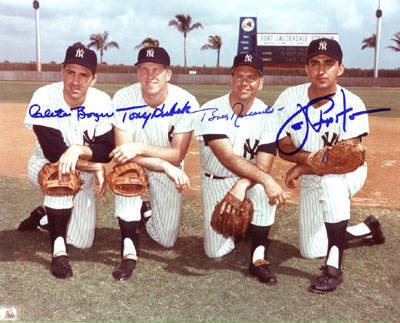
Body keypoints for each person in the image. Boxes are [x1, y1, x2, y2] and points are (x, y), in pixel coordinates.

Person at [275, 38, 385, 293]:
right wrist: (306, 163)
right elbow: (282, 143)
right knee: (310, 250)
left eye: (329, 63)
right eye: (315, 63)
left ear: (340, 68)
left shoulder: (353, 103)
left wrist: (302, 166)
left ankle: (334, 267)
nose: (321, 70)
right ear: (306, 68)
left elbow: (342, 160)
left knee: (332, 181)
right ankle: (365, 228)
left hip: (348, 173)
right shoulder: (289, 97)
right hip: (314, 175)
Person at [21, 45, 115, 279]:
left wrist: (79, 149)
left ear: (93, 79)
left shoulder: (102, 101)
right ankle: (58, 252)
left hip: (81, 171)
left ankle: (44, 216)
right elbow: (54, 153)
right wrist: (94, 165)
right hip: (45, 166)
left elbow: (107, 149)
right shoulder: (44, 97)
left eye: (84, 75)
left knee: (82, 242)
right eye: (70, 72)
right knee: (60, 180)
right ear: (62, 72)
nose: (76, 81)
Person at [194, 53, 286, 284]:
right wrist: (261, 179)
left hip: (249, 179)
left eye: (252, 77)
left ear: (261, 82)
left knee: (265, 189)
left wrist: (244, 184)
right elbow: (226, 156)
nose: (245, 82)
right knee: (215, 252)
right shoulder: (211, 109)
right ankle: (244, 230)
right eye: (239, 76)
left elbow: (263, 164)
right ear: (231, 79)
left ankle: (258, 257)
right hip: (216, 178)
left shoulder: (269, 115)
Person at [109, 46, 199, 280]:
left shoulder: (186, 101)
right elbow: (122, 154)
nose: (150, 76)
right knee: (127, 173)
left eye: (156, 70)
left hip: (164, 166)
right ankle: (129, 249)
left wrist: (140, 147)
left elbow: (177, 155)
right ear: (137, 72)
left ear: (168, 74)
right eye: (144, 69)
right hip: (136, 166)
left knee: (166, 240)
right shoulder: (123, 97)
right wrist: (164, 164)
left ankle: (144, 212)